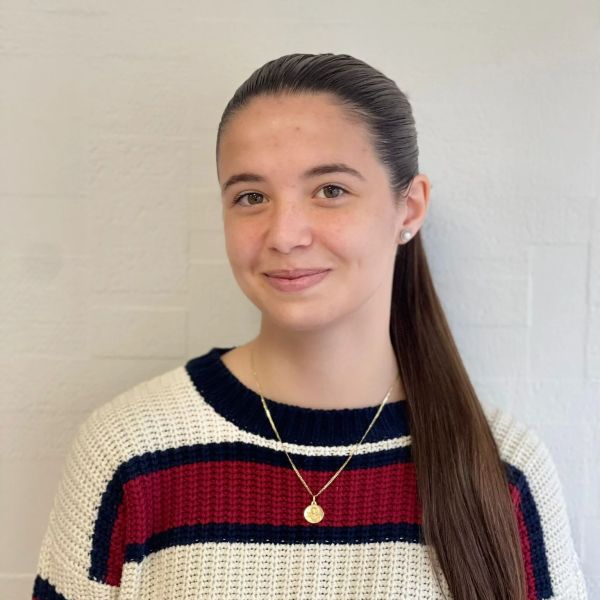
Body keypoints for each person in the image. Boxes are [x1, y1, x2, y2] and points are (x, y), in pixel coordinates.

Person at [31, 53, 587, 600]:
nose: (285, 235)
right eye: (251, 197)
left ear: (410, 208)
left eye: (330, 190)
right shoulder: (129, 454)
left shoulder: (504, 472)